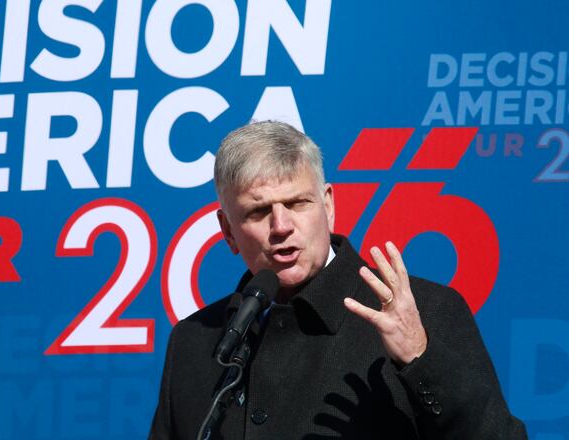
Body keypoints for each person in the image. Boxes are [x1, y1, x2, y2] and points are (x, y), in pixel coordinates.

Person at [149, 121, 526, 439]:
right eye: (258, 211)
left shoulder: (425, 311)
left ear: (328, 206)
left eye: (297, 203)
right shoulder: (194, 341)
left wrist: (419, 358)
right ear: (227, 230)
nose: (281, 226)